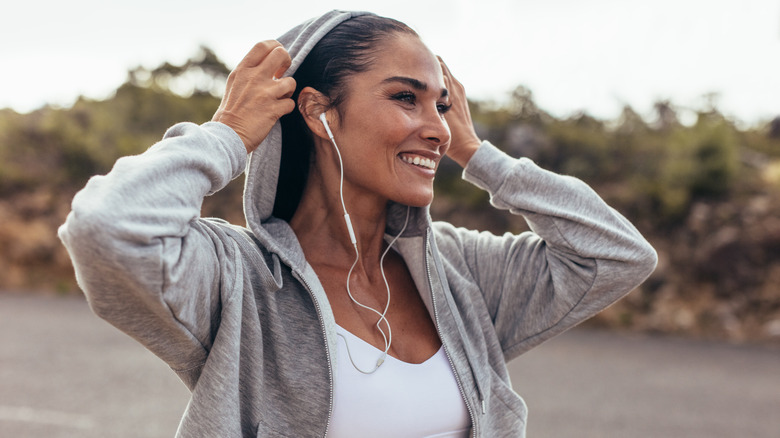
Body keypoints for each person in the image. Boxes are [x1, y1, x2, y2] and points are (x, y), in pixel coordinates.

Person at [59, 10, 657, 438]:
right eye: (406, 98)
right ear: (319, 112)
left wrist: (480, 155)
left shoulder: (460, 272)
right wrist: (229, 136)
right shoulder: (237, 280)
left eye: (442, 105)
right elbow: (107, 227)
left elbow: (618, 255)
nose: (438, 126)